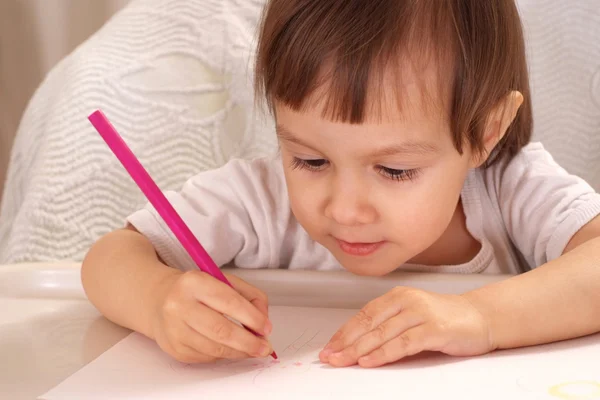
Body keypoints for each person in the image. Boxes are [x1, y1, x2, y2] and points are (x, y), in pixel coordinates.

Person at [81, 0, 600, 369]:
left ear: (486, 130)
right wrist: (157, 298)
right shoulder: (259, 199)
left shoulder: (511, 187)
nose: (346, 210)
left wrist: (478, 315)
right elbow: (110, 258)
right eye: (309, 159)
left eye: (395, 171)